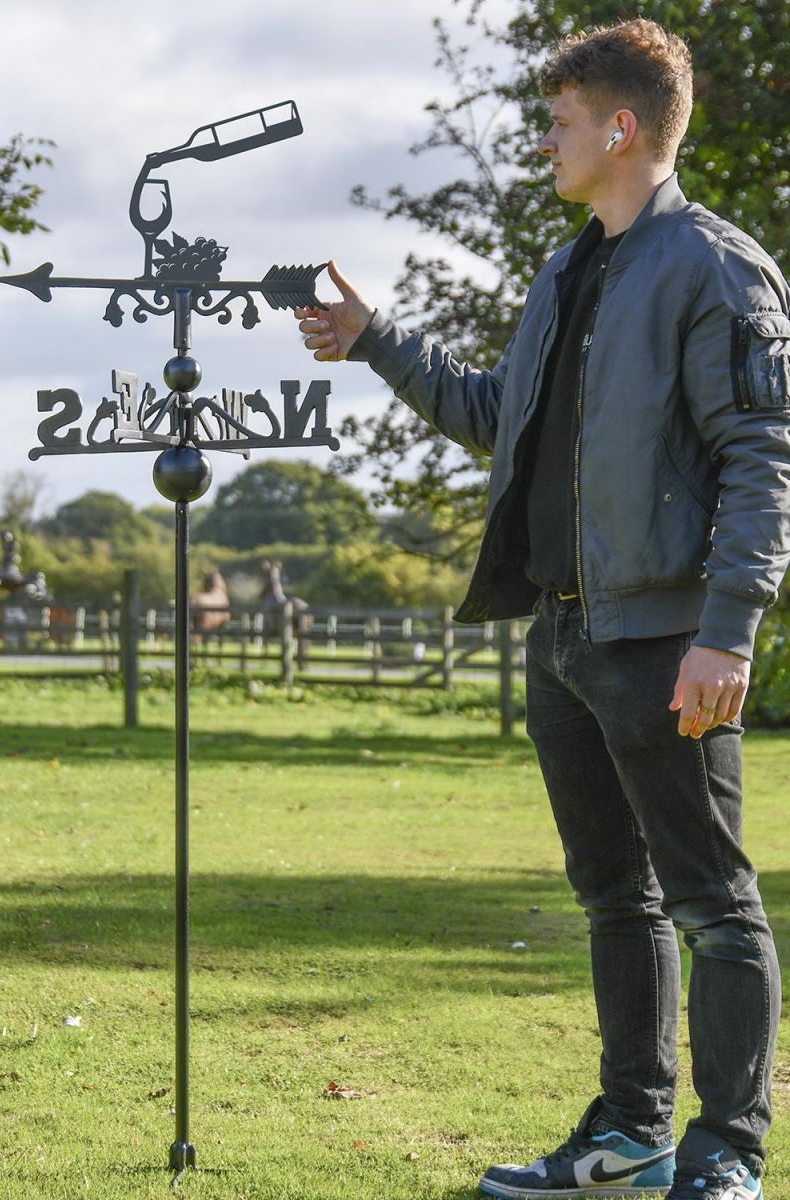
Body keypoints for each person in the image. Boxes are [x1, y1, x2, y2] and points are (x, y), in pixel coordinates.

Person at [296, 19, 790, 1200]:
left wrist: (727, 631)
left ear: (621, 128)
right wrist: (373, 344)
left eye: (560, 121)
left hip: (667, 639)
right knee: (614, 900)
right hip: (563, 638)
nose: (544, 140)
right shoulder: (569, 270)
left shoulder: (721, 270)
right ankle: (632, 1131)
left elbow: (765, 457)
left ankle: (728, 1153)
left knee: (713, 903)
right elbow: (495, 417)